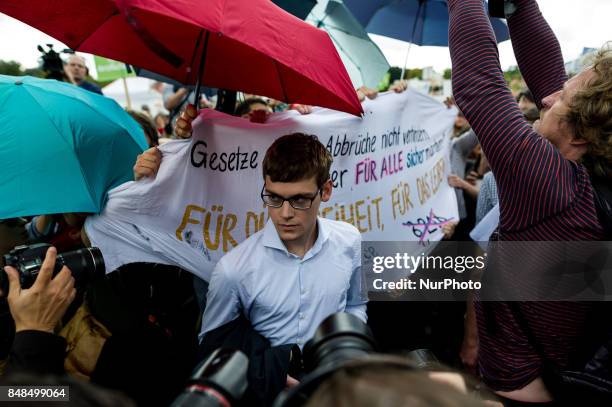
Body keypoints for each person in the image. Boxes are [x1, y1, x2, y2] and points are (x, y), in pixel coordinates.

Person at [448, 0, 611, 403]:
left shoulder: (550, 189)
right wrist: (519, 7)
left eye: (564, 98)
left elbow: (480, 86)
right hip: (566, 378)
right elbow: (551, 81)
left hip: (516, 392)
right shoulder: (594, 171)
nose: (548, 98)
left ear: (579, 136)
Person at [199, 132, 367, 355]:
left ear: (326, 191)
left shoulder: (350, 240)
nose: (285, 214)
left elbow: (355, 304)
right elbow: (213, 347)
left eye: (299, 199)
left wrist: (348, 348)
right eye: (274, 198)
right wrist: (275, 375)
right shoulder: (233, 270)